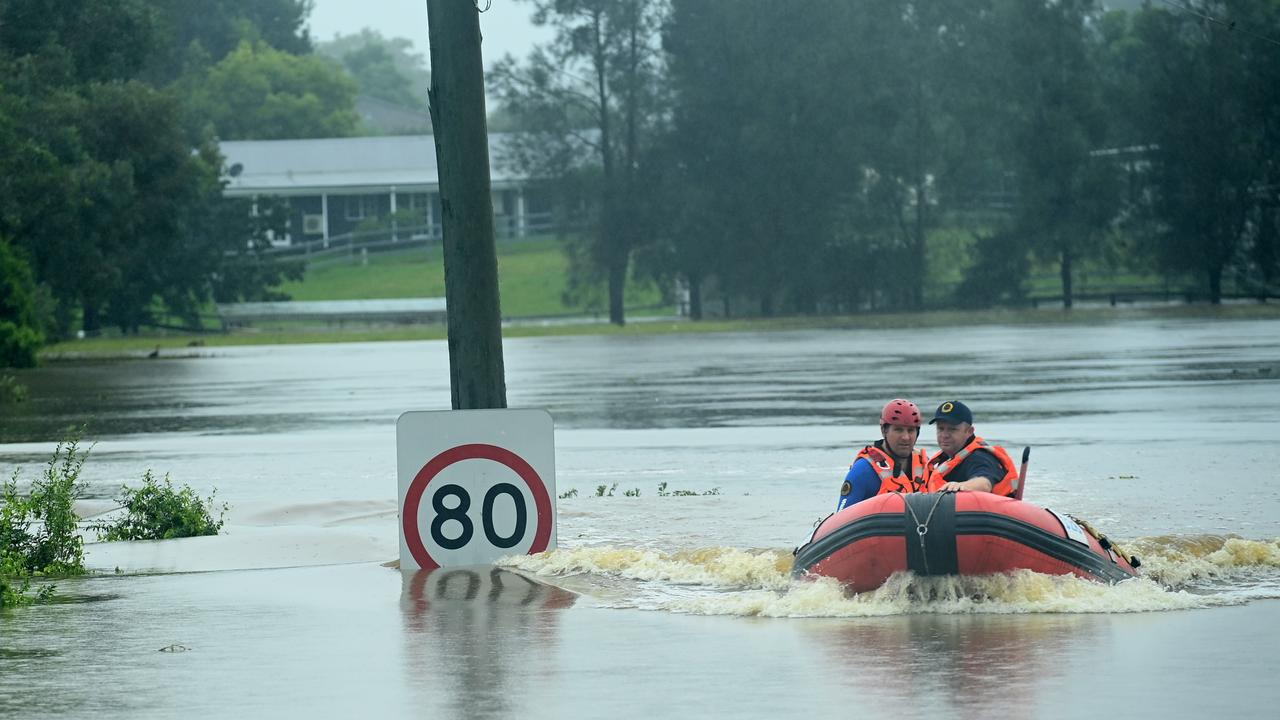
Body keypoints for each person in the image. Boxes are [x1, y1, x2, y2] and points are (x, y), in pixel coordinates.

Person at [835, 399, 932, 511]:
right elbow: (842, 516)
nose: (905, 437)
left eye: (910, 430)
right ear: (884, 430)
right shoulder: (863, 470)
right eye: (898, 430)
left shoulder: (926, 466)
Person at [926, 400, 1019, 496]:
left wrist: (961, 486)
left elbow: (985, 483)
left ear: (969, 431)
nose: (944, 435)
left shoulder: (980, 457)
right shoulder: (947, 458)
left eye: (952, 429)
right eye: (940, 429)